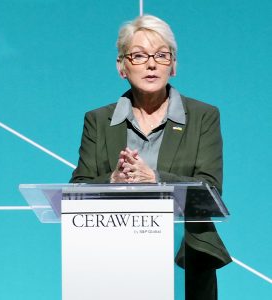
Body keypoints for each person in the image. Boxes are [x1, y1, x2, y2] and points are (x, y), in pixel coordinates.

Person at [70, 15, 231, 300]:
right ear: (122, 67)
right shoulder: (97, 120)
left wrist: (154, 179)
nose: (152, 63)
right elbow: (77, 190)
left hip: (184, 261)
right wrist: (112, 180)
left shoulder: (203, 116)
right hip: (113, 260)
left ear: (174, 66)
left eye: (161, 55)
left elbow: (211, 192)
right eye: (139, 55)